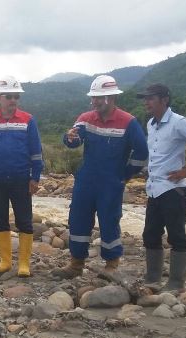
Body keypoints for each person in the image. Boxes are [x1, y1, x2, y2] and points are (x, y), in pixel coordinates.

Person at [52, 75, 148, 279]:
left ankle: (111, 264)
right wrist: (69, 138)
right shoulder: (86, 118)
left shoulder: (128, 122)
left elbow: (141, 152)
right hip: (86, 180)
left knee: (109, 221)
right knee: (77, 219)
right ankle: (76, 264)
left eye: (98, 98)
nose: (94, 102)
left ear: (111, 98)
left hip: (111, 182)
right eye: (93, 98)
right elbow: (74, 140)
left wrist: (125, 175)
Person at [137, 84, 186, 292]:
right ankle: (152, 279)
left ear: (164, 100)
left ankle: (176, 283)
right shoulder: (151, 124)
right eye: (145, 98)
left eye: (150, 98)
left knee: (176, 235)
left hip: (174, 189)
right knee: (150, 234)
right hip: (154, 188)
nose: (146, 102)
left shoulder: (179, 122)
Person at [0, 76, 43, 278]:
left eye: (16, 97)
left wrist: (36, 177)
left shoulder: (28, 120)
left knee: (25, 221)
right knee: (0, 220)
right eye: (9, 96)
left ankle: (23, 264)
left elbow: (36, 151)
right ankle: (5, 261)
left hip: (21, 178)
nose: (13, 100)